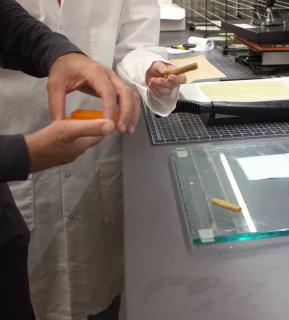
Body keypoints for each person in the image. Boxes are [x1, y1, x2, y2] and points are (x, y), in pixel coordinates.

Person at [0, 1, 186, 319]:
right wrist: (23, 153)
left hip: (93, 162)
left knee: (97, 294)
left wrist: (148, 67)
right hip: (15, 154)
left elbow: (133, 45)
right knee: (22, 294)